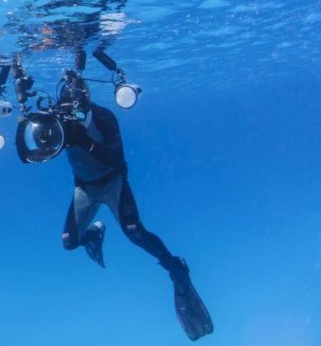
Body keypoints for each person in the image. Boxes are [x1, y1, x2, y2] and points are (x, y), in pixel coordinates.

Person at [56, 77, 213, 341]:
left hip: (113, 182)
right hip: (83, 188)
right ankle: (93, 234)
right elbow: (32, 151)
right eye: (66, 108)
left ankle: (176, 269)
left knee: (135, 233)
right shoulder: (58, 120)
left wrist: (85, 141)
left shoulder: (104, 118)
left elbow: (115, 159)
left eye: (78, 108)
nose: (73, 114)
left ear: (88, 102)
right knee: (69, 242)